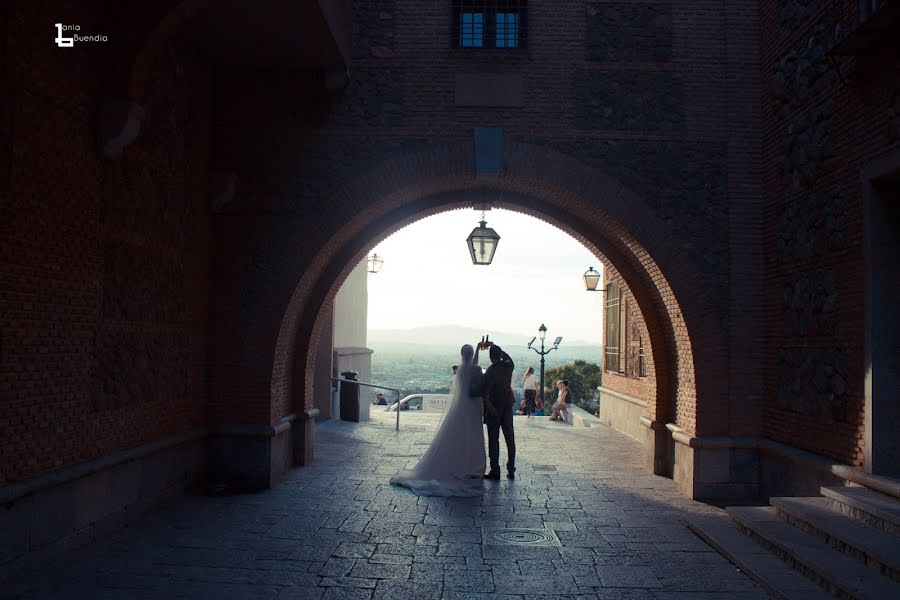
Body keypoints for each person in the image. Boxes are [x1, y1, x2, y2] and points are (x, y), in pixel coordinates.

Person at [389, 344, 485, 496]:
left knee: (456, 436)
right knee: (472, 436)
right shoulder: (476, 370)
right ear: (472, 355)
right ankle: (471, 467)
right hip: (473, 408)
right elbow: (478, 377)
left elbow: (469, 370)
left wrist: (477, 351)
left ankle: (457, 465)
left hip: (460, 408)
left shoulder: (459, 370)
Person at [481, 343, 516, 480]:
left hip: (494, 409)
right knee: (510, 439)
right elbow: (509, 359)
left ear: (490, 357)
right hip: (507, 407)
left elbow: (484, 394)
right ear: (500, 355)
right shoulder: (508, 367)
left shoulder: (490, 371)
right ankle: (511, 467)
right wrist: (495, 346)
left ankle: (495, 470)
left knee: (493, 441)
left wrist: (491, 409)